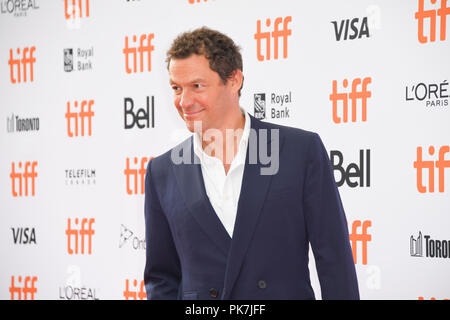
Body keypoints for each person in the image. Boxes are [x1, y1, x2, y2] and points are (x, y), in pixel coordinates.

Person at [144, 27, 359, 300]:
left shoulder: (298, 151)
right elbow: (162, 277)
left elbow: (335, 261)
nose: (184, 102)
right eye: (176, 88)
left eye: (197, 86)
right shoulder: (161, 172)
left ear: (234, 81)